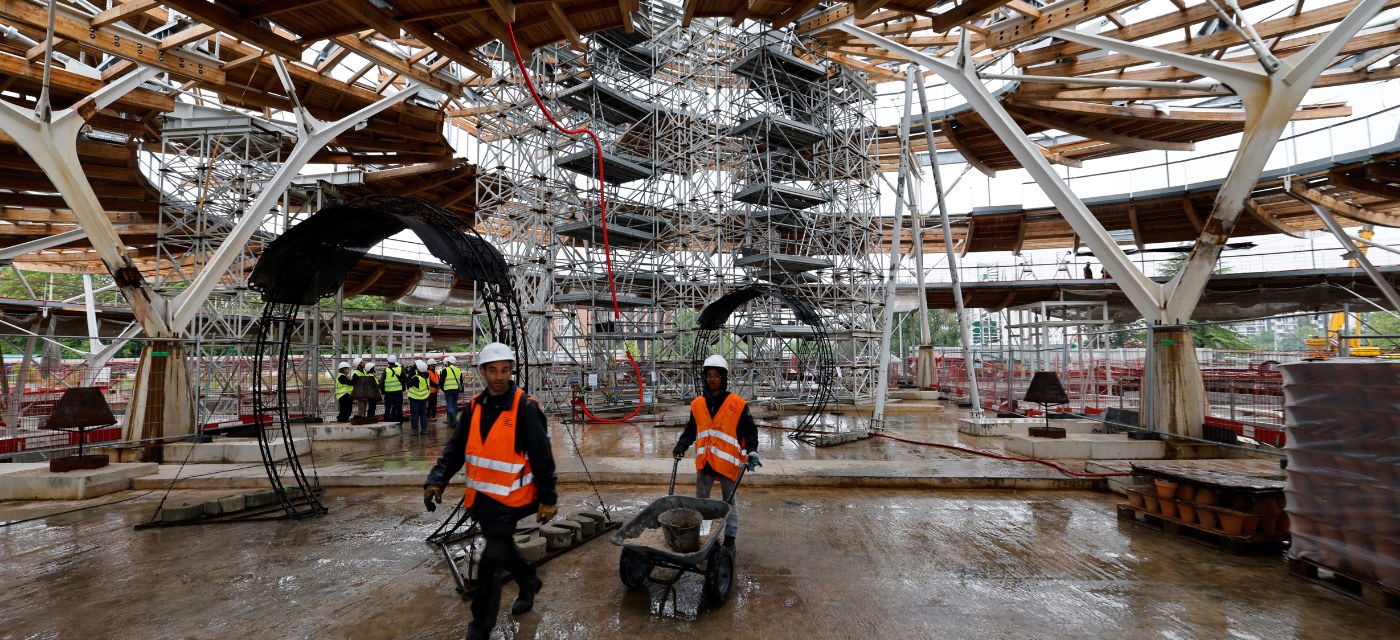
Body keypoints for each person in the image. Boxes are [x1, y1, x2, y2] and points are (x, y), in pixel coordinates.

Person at [423, 342, 557, 640]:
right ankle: (529, 580)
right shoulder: (474, 407)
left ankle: (480, 628)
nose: (499, 376)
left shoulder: (525, 408)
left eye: (505, 370)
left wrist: (549, 497)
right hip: (482, 499)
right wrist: (437, 479)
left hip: (510, 500)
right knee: (502, 547)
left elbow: (542, 456)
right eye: (493, 370)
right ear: (482, 371)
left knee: (491, 562)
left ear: (511, 371)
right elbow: (456, 449)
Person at [671, 354, 761, 547]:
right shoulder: (698, 404)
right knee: (702, 501)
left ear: (723, 378)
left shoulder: (737, 404)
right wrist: (681, 446)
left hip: (727, 463)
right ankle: (704, 536)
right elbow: (691, 429)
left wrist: (752, 450)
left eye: (716, 375)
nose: (711, 379)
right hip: (705, 462)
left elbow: (750, 430)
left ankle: (730, 538)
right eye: (708, 375)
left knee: (728, 501)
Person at [405, 359, 433, 435]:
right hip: (424, 398)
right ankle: (424, 430)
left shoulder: (416, 378)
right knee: (423, 414)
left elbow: (408, 383)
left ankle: (415, 430)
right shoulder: (427, 375)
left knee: (414, 414)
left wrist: (411, 372)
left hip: (415, 398)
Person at [381, 354, 405, 426]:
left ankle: (386, 423)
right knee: (399, 409)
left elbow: (382, 382)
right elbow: (406, 379)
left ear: (388, 362)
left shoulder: (386, 370)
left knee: (387, 409)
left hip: (388, 393)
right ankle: (399, 423)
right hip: (398, 393)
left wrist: (382, 391)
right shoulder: (400, 369)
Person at [440, 355, 463, 426]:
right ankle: (453, 421)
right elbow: (461, 382)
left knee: (450, 406)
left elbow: (441, 382)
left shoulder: (445, 370)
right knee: (454, 404)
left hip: (448, 390)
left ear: (448, 362)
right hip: (456, 390)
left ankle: (454, 420)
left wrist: (443, 389)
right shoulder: (458, 370)